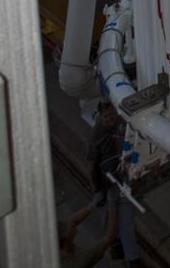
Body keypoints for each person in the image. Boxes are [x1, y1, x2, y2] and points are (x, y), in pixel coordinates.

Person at [87, 101, 140, 268]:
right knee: (111, 228)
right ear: (101, 117)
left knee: (126, 226)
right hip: (106, 186)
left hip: (123, 183)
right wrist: (97, 189)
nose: (110, 120)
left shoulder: (123, 125)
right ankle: (118, 258)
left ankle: (132, 261)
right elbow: (91, 164)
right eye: (106, 117)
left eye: (111, 116)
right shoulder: (96, 135)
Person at [58, 200, 117, 267]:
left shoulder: (60, 246)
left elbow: (73, 221)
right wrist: (112, 204)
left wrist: (94, 203)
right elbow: (110, 237)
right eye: (65, 227)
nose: (69, 223)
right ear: (66, 238)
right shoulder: (79, 262)